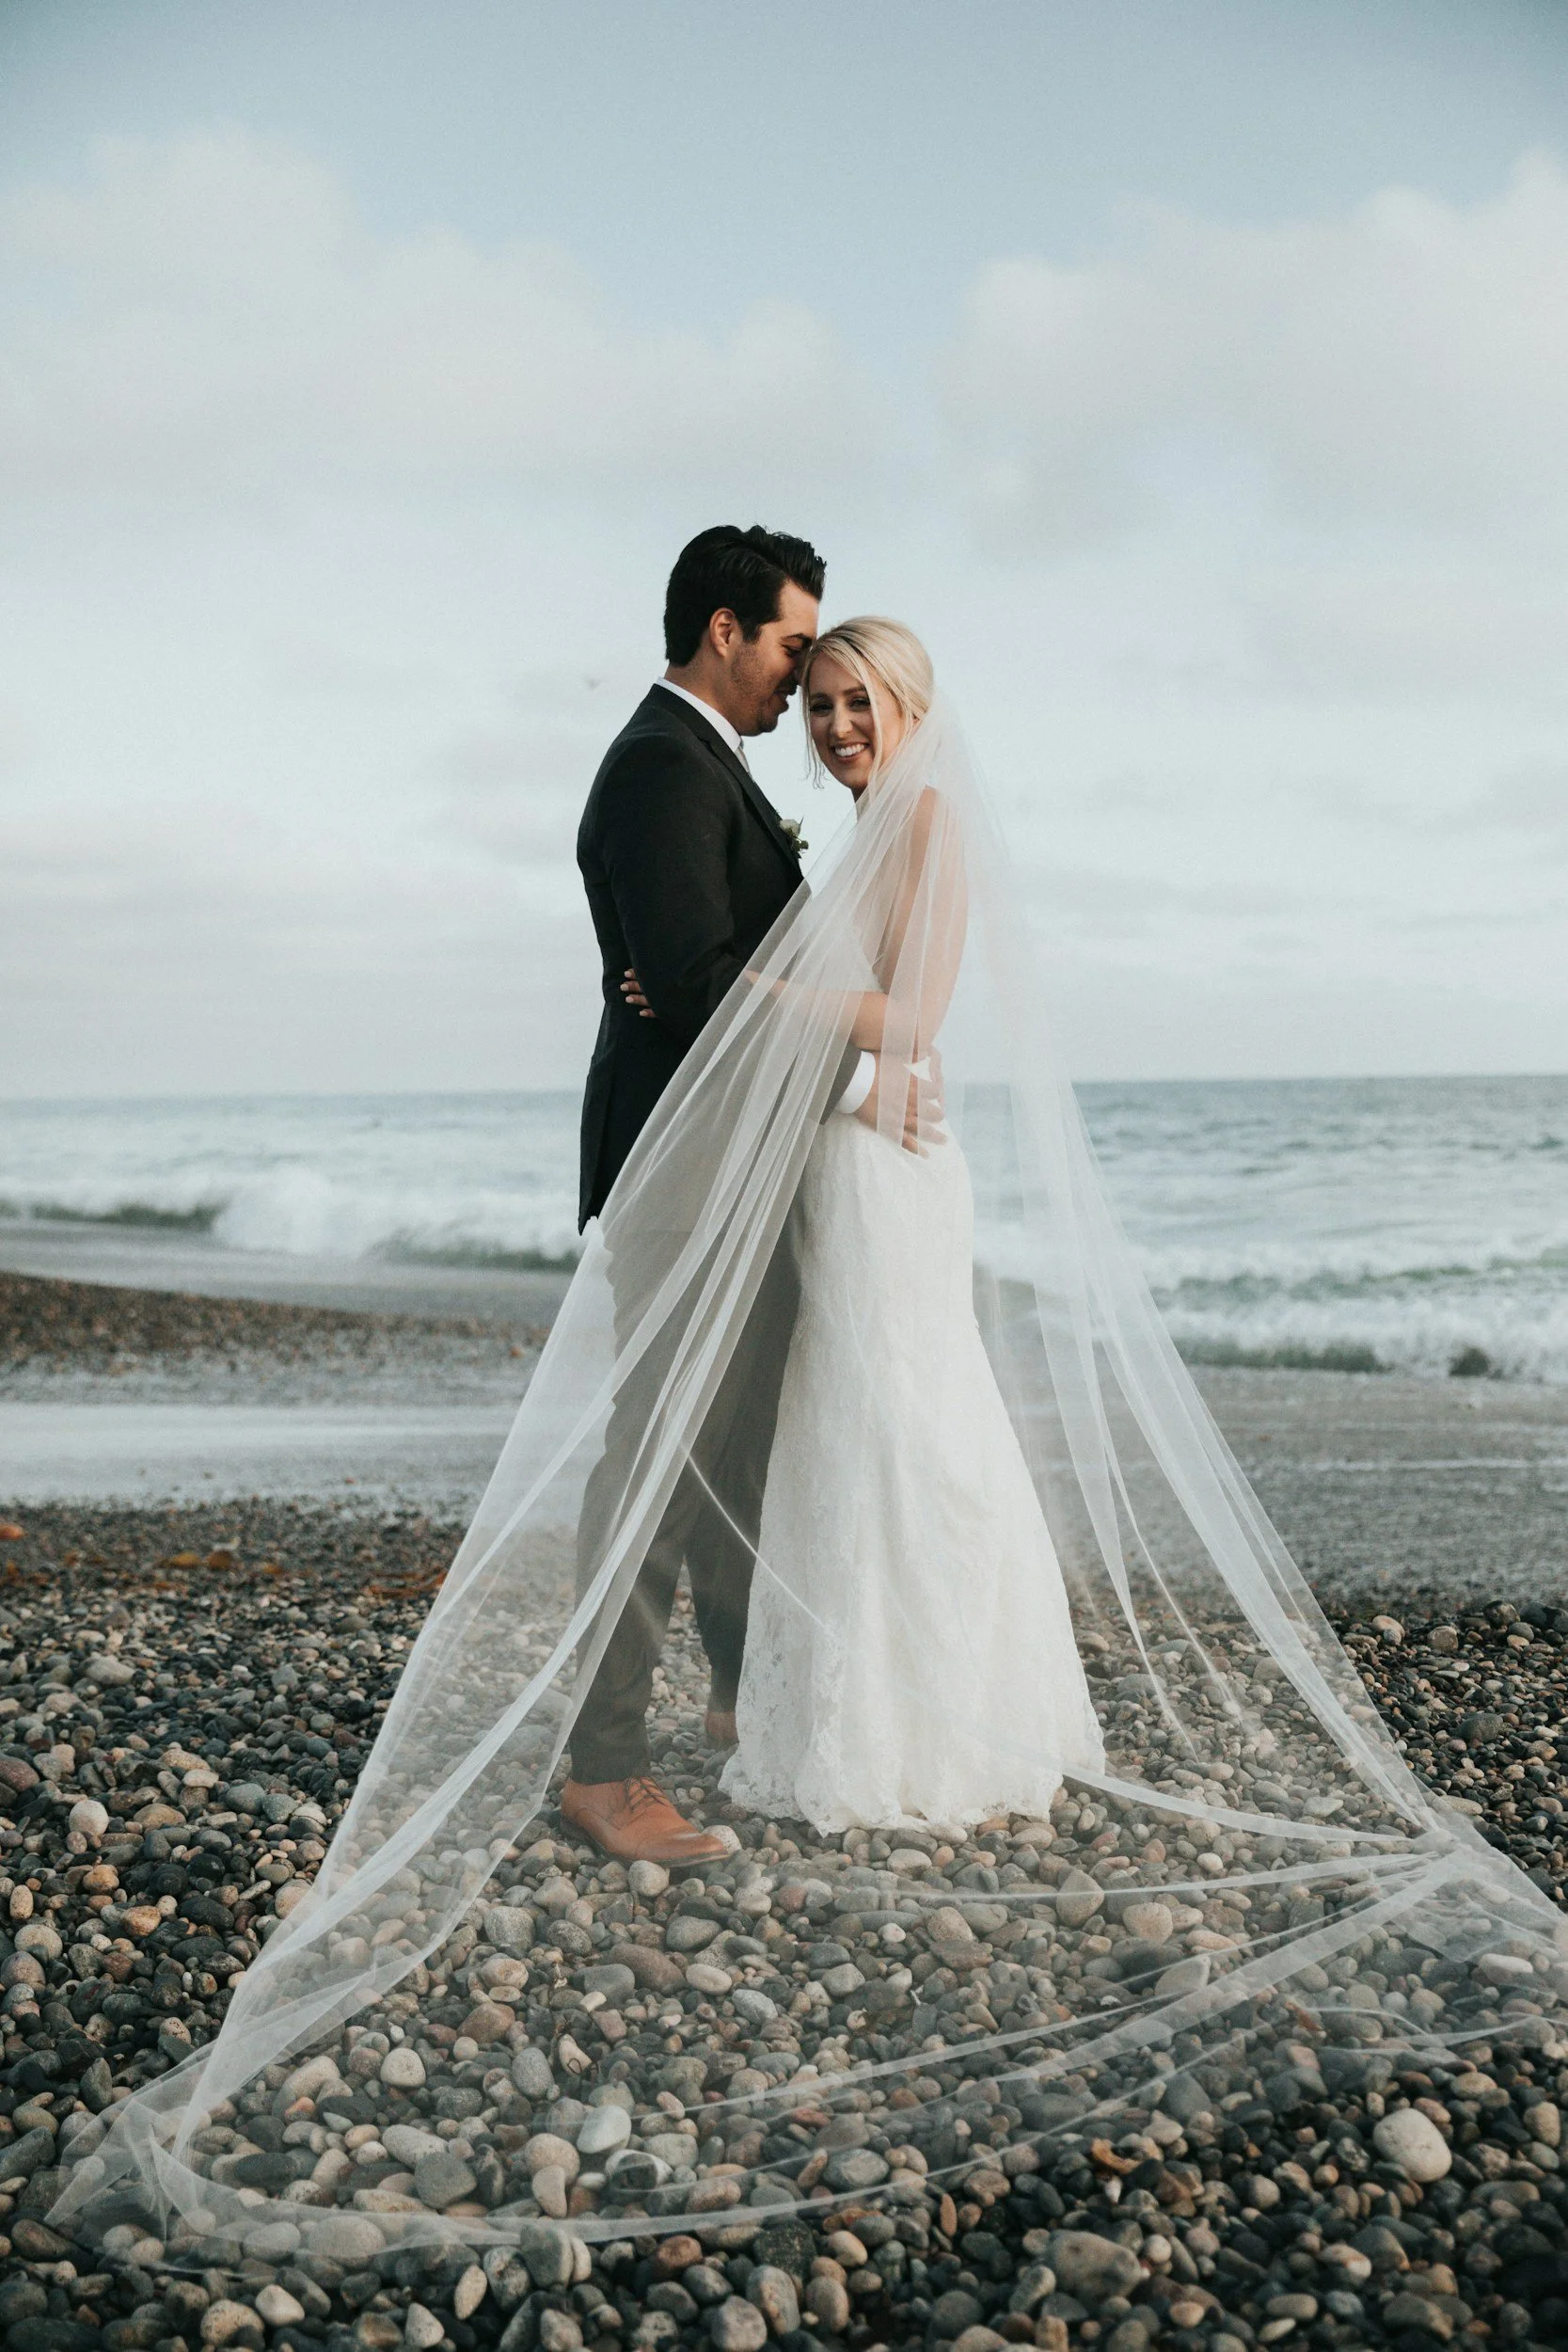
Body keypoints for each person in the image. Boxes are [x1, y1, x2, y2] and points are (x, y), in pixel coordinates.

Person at [565, 528, 939, 1864]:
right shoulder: (664, 767)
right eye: (791, 646)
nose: (802, 682)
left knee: (739, 1450)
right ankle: (602, 1768)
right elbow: (699, 987)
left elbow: (703, 969)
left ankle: (734, 1702)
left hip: (748, 1154)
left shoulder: (701, 767)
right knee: (659, 1457)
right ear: (723, 632)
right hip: (690, 1161)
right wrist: (858, 1049)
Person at [720, 619, 1104, 1828]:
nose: (834, 726)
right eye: (821, 704)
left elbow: (912, 1016)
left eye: (857, 703)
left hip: (890, 1174)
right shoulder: (863, 831)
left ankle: (958, 1725)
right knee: (844, 1421)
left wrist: (748, 988)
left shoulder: (929, 819)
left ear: (908, 707)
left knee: (916, 1423)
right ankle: (861, 1721)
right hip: (844, 1162)